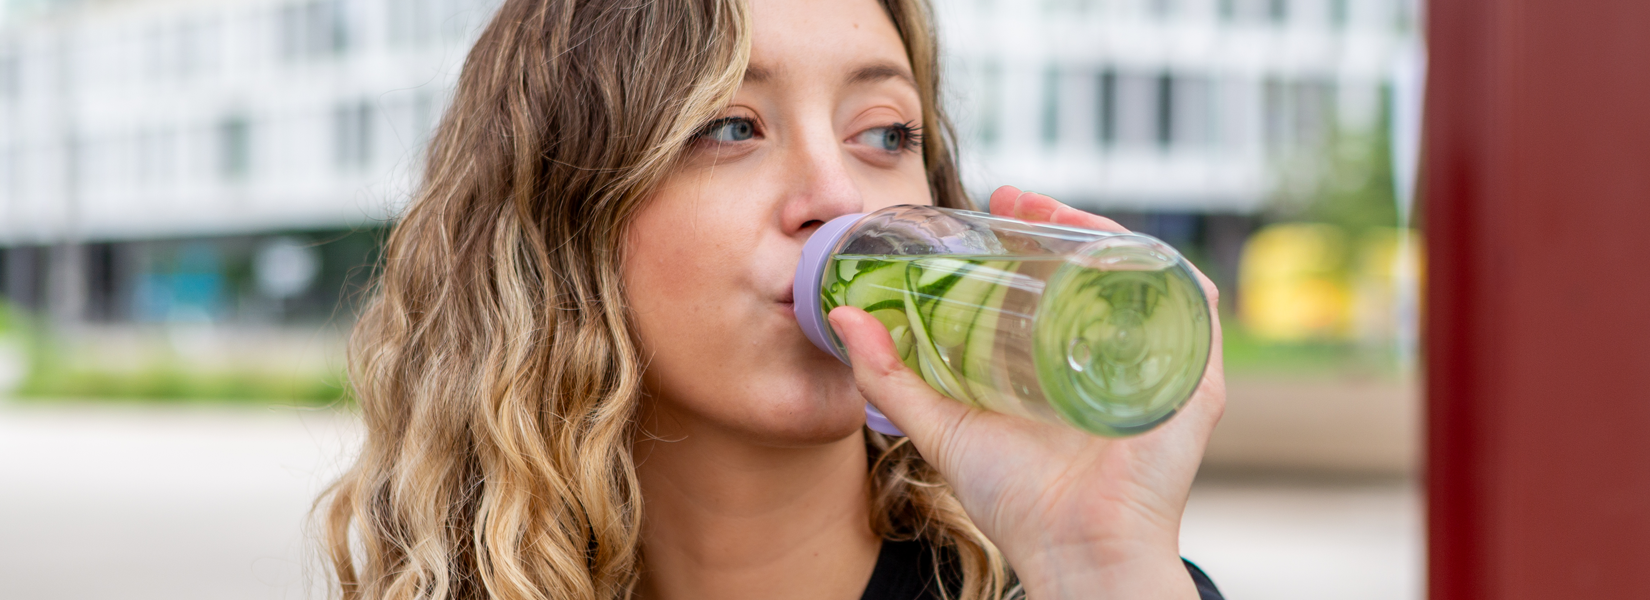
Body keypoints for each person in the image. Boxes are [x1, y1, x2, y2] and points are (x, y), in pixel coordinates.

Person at [315, 0, 1229, 598]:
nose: (838, 197)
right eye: (729, 126)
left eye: (884, 133)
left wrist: (1101, 564)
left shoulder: (1088, 578)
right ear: (559, 219)